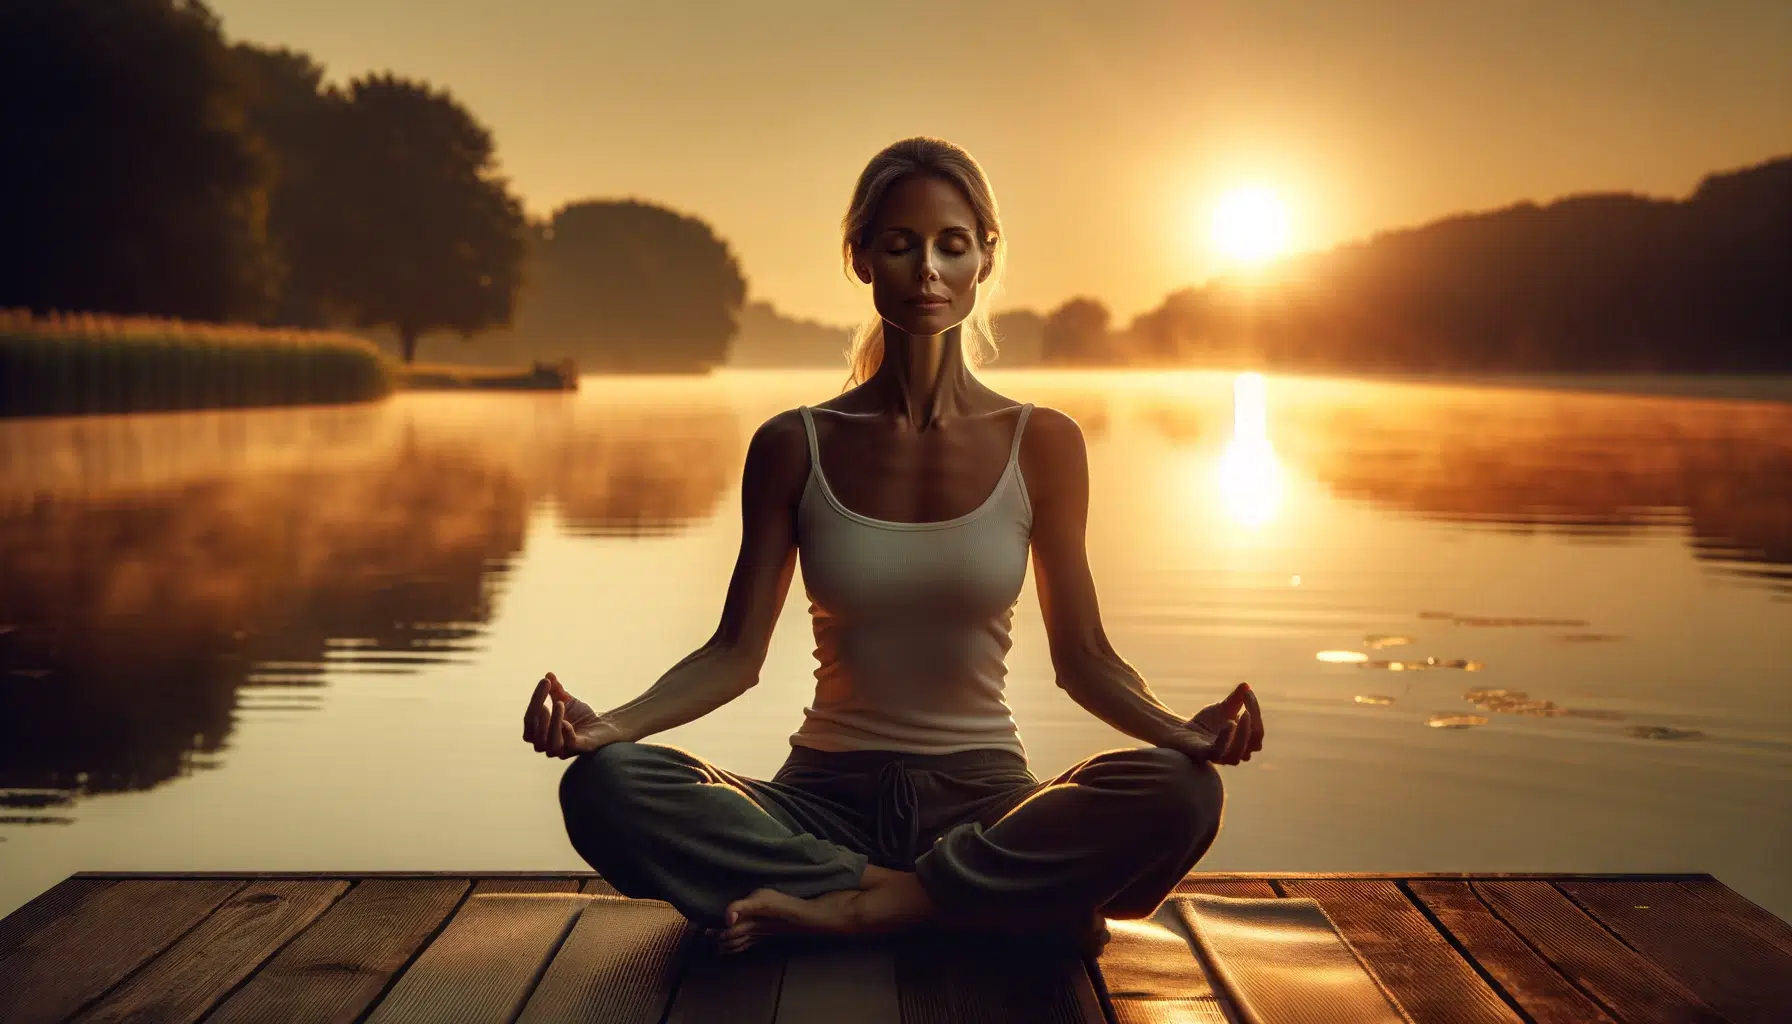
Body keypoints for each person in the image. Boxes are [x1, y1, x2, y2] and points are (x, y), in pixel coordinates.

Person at [523, 136, 1265, 957]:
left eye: (952, 245)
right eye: (899, 245)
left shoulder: (1043, 443)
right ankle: (981, 902)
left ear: (986, 256)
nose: (927, 271)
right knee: (608, 787)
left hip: (988, 803)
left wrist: (1180, 733)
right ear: (862, 258)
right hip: (820, 802)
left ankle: (854, 908)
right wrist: (607, 728)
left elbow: (1084, 659)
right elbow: (734, 655)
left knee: (1178, 792)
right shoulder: (792, 444)